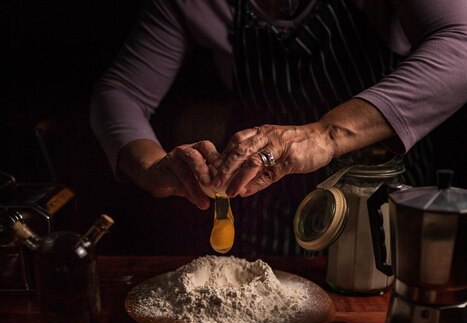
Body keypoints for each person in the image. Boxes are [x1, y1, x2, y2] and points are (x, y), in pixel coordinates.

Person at [90, 0, 467, 256]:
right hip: (266, 218)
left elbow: (461, 44)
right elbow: (121, 92)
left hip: (380, 216)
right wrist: (152, 166)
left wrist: (325, 133)